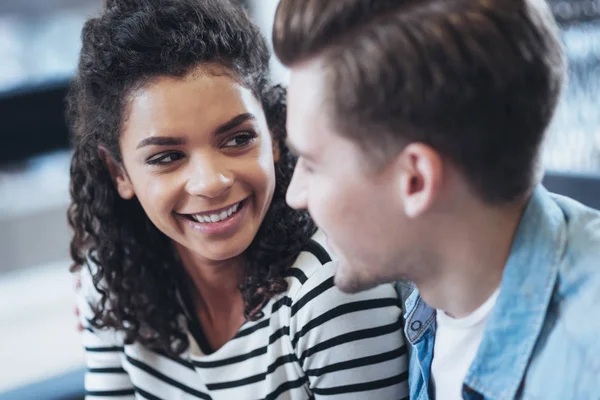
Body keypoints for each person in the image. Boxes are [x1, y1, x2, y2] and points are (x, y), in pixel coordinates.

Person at [67, 0, 410, 399]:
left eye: (238, 139)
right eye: (167, 157)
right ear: (120, 173)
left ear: (275, 136)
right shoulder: (112, 278)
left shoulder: (329, 288)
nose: (211, 182)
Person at [272, 0, 600, 399]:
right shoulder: (427, 296)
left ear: (415, 180)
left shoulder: (584, 368)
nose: (294, 196)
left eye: (311, 163)